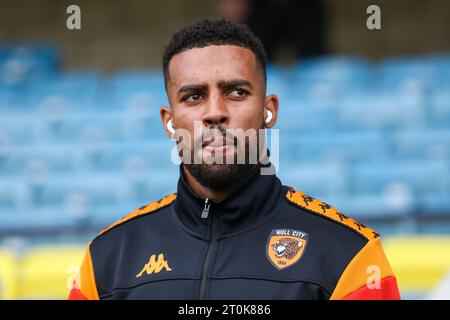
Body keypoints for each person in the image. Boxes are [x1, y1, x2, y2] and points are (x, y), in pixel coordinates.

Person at [68, 18, 400, 300]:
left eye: (237, 92)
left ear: (269, 111)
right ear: (169, 121)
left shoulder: (350, 256)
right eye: (194, 96)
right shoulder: (107, 260)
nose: (215, 113)